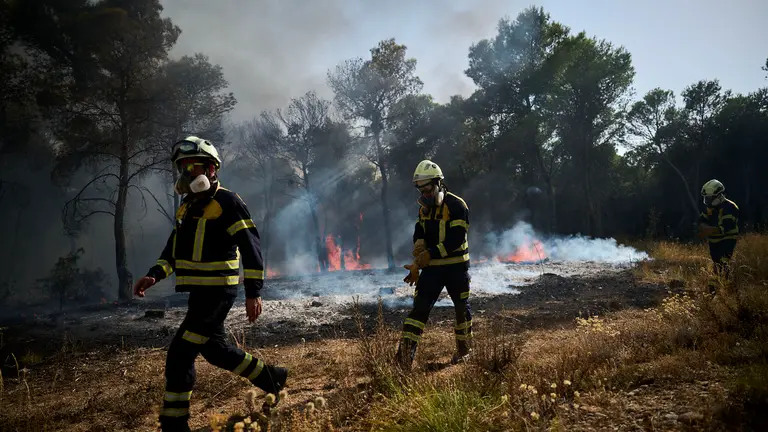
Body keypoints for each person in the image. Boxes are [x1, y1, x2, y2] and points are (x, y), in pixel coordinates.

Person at [132, 136, 288, 432]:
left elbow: (252, 248)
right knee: (215, 350)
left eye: (194, 166)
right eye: (183, 168)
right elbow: (174, 251)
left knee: (180, 354)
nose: (188, 174)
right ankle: (272, 378)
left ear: (212, 169)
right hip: (199, 294)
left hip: (218, 294)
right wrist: (154, 274)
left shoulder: (228, 202)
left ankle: (174, 423)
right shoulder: (186, 207)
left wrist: (253, 293)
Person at [396, 160, 472, 369]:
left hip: (456, 268)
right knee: (418, 310)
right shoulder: (424, 210)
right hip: (432, 269)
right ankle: (402, 361)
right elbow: (419, 230)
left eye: (428, 189)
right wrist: (418, 248)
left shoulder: (457, 206)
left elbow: (456, 239)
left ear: (439, 183)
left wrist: (429, 254)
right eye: (421, 190)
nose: (425, 194)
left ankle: (464, 351)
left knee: (461, 309)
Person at [697, 179, 739, 293]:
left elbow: (724, 228)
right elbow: (701, 220)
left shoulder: (730, 207)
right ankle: (720, 290)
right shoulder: (710, 207)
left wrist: (708, 230)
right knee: (717, 264)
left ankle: (717, 291)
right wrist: (703, 227)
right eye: (707, 198)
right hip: (714, 242)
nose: (708, 201)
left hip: (727, 240)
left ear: (719, 196)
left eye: (710, 198)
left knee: (723, 264)